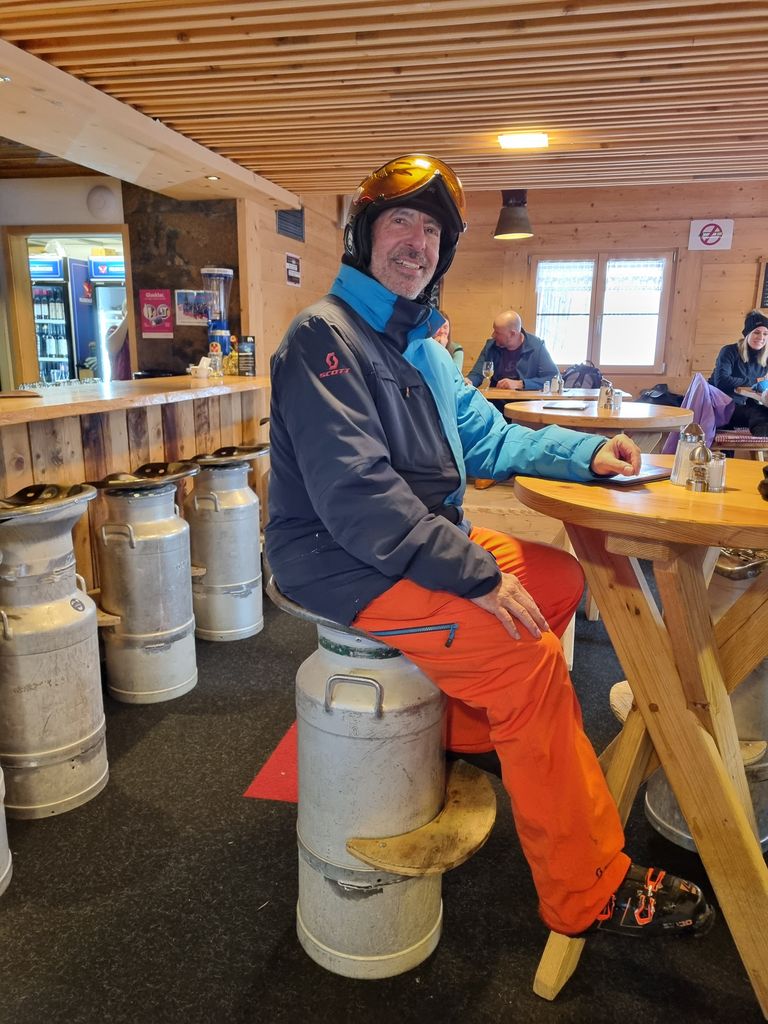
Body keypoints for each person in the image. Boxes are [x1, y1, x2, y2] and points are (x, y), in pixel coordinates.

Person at [266, 154, 713, 940]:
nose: (418, 242)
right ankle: (585, 890)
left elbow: (492, 438)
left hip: (414, 544)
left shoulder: (424, 349)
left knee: (558, 580)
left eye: (433, 231)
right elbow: (359, 500)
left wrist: (587, 455)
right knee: (527, 661)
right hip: (341, 563)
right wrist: (474, 575)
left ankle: (471, 738)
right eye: (401, 222)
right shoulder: (323, 338)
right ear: (364, 236)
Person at [467, 309, 558, 390]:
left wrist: (521, 384)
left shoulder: (537, 346)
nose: (493, 335)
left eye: (497, 332)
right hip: (497, 400)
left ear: (512, 334)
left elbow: (554, 378)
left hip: (526, 401)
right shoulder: (491, 346)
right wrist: (469, 381)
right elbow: (477, 374)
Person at [710, 310, 768, 435]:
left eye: (765, 334)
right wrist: (752, 382)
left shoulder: (765, 359)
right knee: (757, 414)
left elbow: (760, 386)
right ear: (747, 334)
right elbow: (722, 381)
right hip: (719, 404)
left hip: (743, 403)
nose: (761, 337)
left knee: (763, 412)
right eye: (756, 332)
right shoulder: (729, 351)